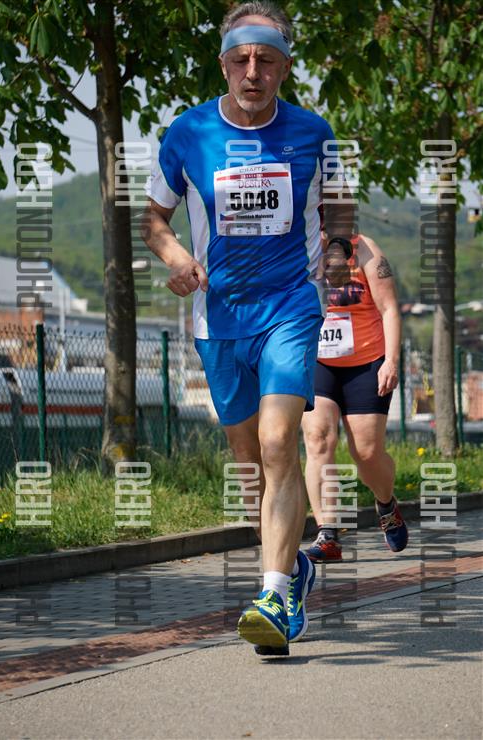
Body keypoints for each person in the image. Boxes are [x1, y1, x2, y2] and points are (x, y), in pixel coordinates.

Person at [142, 1, 354, 655]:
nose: (252, 72)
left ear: (285, 67)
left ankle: (274, 597)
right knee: (250, 465)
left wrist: (337, 251)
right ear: (224, 64)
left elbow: (339, 204)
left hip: (291, 306)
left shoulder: (314, 133)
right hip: (219, 318)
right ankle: (293, 569)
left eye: (265, 60)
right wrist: (178, 260)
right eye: (240, 59)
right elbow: (153, 219)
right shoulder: (188, 133)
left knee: (277, 440)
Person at [301, 231, 408, 563]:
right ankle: (327, 534)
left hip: (366, 361)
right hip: (317, 361)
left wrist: (391, 361)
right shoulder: (296, 244)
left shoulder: (364, 250)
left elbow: (389, 309)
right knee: (318, 438)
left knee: (366, 452)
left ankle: (386, 504)